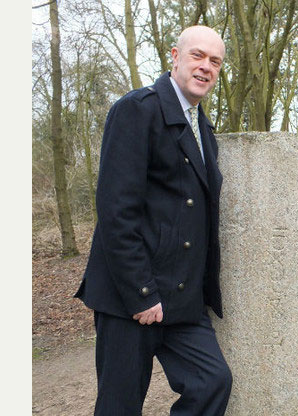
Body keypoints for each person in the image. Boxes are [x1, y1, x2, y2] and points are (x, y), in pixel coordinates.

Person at [74, 26, 232, 415]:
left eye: (215, 61)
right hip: (131, 295)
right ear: (174, 56)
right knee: (119, 406)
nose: (206, 67)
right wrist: (142, 293)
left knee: (212, 382)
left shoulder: (203, 128)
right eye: (197, 56)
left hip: (183, 299)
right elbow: (116, 211)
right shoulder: (137, 109)